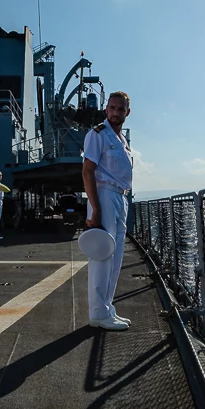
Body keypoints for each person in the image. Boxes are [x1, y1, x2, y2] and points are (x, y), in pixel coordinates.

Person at [82, 92, 133, 331]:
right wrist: (96, 209)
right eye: (112, 108)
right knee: (102, 256)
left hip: (120, 197)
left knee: (115, 255)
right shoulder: (97, 134)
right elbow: (87, 171)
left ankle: (107, 308)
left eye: (120, 109)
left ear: (127, 112)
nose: (115, 113)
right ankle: (98, 313)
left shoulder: (122, 141)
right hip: (104, 194)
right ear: (106, 109)